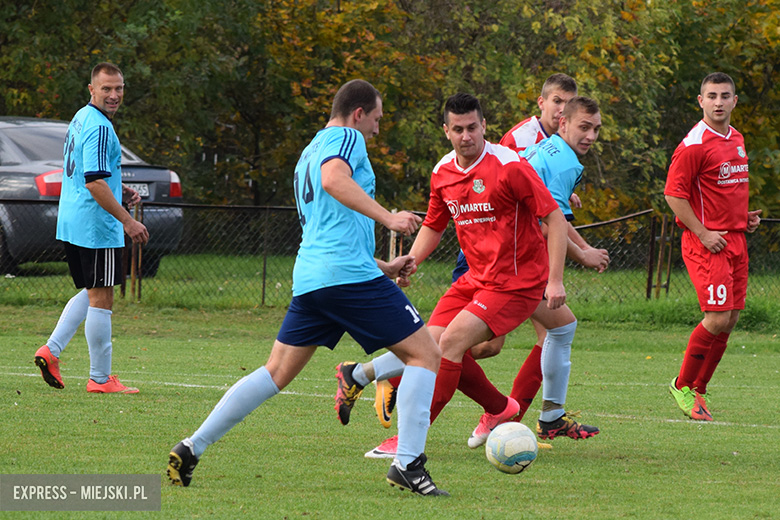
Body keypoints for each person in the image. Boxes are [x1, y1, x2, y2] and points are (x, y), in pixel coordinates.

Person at [166, 80, 448, 496]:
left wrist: (385, 267)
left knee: (275, 373)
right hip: (347, 278)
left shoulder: (309, 150)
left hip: (314, 278)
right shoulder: (347, 138)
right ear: (357, 114)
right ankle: (408, 464)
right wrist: (389, 218)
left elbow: (329, 228)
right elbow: (335, 181)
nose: (376, 128)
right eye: (376, 119)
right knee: (426, 354)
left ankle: (193, 446)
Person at [335, 92, 570, 458]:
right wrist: (410, 261)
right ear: (446, 131)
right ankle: (500, 408)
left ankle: (410, 439)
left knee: (452, 343)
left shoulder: (510, 166)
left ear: (484, 126)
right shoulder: (442, 172)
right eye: (458, 129)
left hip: (517, 282)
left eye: (473, 127)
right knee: (426, 346)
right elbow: (434, 224)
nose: (466, 136)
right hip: (475, 278)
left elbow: (554, 219)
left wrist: (554, 280)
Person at [34, 62, 148, 395]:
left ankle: (51, 350)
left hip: (73, 220)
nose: (114, 95)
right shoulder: (99, 126)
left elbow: (93, 174)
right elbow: (94, 182)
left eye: (119, 88)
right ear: (92, 89)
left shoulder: (81, 117)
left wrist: (118, 188)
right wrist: (127, 220)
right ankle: (100, 378)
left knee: (91, 290)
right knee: (102, 297)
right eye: (107, 89)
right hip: (97, 224)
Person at [665, 72, 761, 421]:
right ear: (700, 101)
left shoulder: (736, 138)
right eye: (711, 96)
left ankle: (700, 390)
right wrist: (704, 232)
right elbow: (674, 195)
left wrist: (743, 216)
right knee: (716, 317)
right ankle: (683, 384)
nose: (718, 102)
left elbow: (724, 189)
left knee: (731, 319)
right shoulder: (693, 144)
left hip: (734, 237)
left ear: (735, 101)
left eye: (725, 95)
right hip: (707, 241)